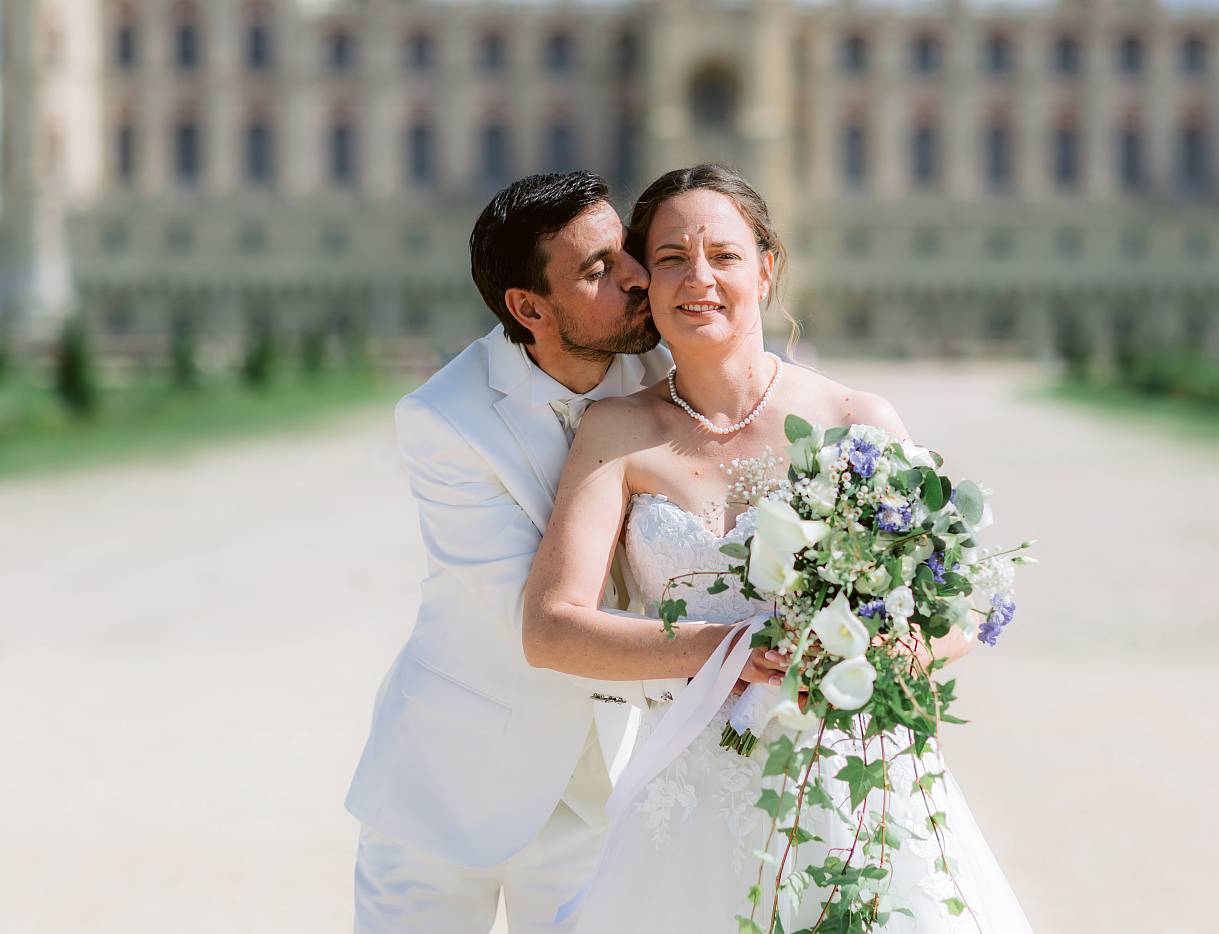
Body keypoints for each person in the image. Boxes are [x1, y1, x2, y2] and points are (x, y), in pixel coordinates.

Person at [522, 164, 1035, 932]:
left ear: (764, 271)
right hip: (691, 797)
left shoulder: (855, 418)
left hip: (856, 788)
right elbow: (550, 628)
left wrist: (880, 655)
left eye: (724, 255)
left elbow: (953, 610)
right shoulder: (617, 431)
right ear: (647, 284)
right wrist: (725, 649)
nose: (699, 277)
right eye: (671, 257)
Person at [345, 171, 783, 934]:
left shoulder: (665, 372)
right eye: (599, 270)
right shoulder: (445, 420)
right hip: (451, 786)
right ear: (529, 308)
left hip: (606, 790)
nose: (637, 277)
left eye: (627, 251)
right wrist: (726, 652)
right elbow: (538, 623)